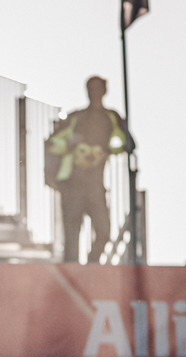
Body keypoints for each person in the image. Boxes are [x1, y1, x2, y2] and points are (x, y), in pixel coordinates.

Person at [47, 75, 129, 264]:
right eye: (91, 88)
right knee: (72, 236)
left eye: (98, 88)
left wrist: (106, 151)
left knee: (103, 231)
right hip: (73, 186)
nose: (94, 93)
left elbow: (127, 143)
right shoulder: (76, 117)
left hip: (96, 186)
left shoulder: (111, 117)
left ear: (104, 91)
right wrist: (72, 144)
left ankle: (92, 266)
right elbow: (53, 143)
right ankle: (73, 272)